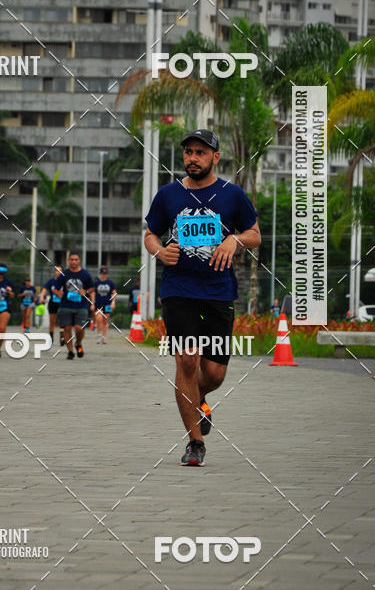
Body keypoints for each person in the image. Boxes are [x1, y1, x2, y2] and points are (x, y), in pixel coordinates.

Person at [144, 129, 261, 467]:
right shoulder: (168, 195)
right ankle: (195, 443)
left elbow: (255, 234)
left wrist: (234, 241)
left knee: (214, 374)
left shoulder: (232, 195)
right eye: (188, 152)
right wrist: (159, 251)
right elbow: (151, 234)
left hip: (219, 292)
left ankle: (201, 399)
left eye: (200, 152)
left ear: (215, 157)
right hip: (178, 290)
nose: (192, 158)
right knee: (187, 361)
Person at [54, 251, 95, 359]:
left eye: (76, 260)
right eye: (71, 259)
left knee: (79, 328)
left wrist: (85, 292)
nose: (74, 262)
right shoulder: (64, 274)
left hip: (81, 307)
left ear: (79, 261)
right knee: (67, 329)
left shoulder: (85, 274)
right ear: (68, 261)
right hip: (65, 306)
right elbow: (55, 288)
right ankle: (70, 351)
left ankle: (78, 343)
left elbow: (92, 288)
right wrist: (58, 293)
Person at [40, 267, 64, 344]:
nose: (58, 272)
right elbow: (44, 289)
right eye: (57, 270)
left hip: (62, 303)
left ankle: (62, 338)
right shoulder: (51, 281)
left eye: (60, 271)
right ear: (54, 272)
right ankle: (51, 338)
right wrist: (41, 296)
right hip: (52, 304)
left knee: (62, 321)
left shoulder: (65, 281)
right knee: (52, 322)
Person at [94, 267, 117, 344]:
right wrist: (92, 303)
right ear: (100, 274)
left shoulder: (110, 282)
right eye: (102, 274)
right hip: (98, 304)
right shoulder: (97, 283)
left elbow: (114, 293)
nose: (104, 275)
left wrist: (113, 302)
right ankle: (99, 335)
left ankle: (104, 337)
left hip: (107, 304)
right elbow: (93, 293)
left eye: (105, 274)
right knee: (98, 319)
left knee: (105, 321)